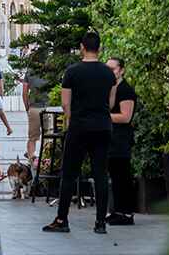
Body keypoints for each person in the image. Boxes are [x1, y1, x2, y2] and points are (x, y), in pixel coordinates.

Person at [43, 31, 116, 235]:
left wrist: (72, 119)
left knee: (69, 174)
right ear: (99, 48)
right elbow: (110, 103)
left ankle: (61, 219)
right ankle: (100, 222)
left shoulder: (72, 71)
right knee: (100, 174)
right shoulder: (109, 73)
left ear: (82, 47)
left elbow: (65, 103)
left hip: (79, 127)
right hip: (102, 126)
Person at [106, 57, 137, 226]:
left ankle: (126, 212)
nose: (110, 72)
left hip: (121, 138)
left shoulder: (126, 90)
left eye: (113, 69)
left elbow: (126, 117)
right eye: (107, 69)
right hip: (111, 137)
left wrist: (103, 116)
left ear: (121, 70)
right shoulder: (110, 89)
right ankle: (117, 210)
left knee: (123, 175)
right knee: (115, 175)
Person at [23, 66, 50, 160]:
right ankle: (46, 159)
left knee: (32, 138)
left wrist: (27, 107)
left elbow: (25, 92)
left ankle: (31, 160)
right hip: (49, 108)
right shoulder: (51, 70)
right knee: (49, 136)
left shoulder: (30, 71)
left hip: (34, 108)